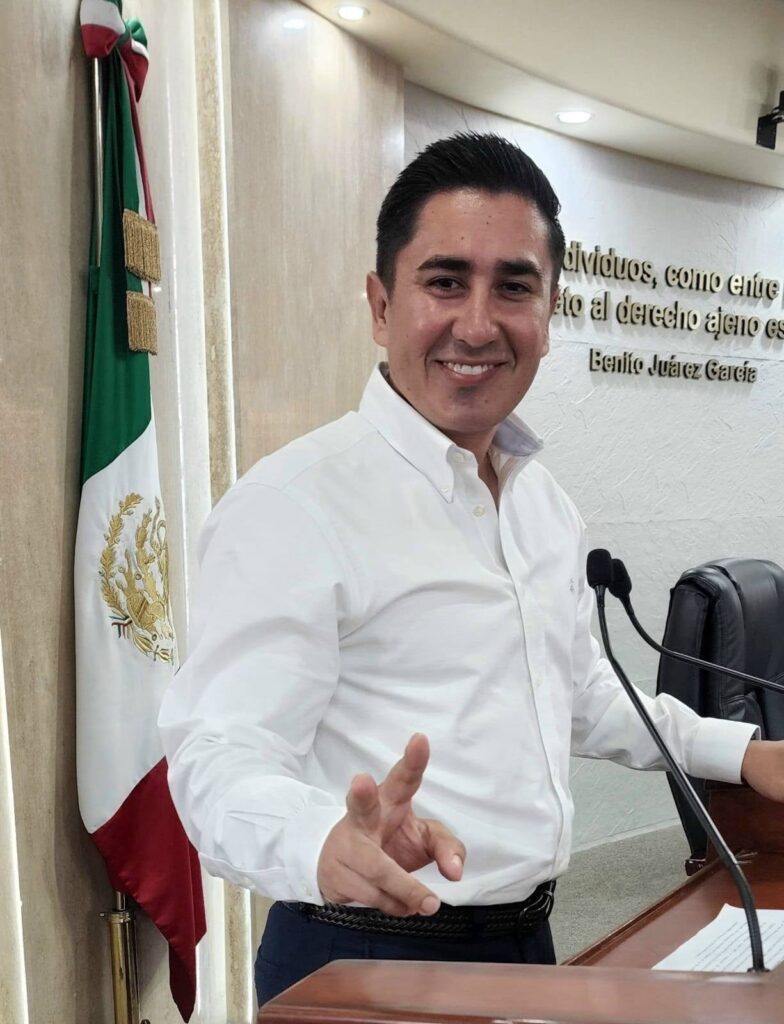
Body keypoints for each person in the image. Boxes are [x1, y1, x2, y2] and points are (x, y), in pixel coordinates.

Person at [159, 132, 784, 1005]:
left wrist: (746, 753)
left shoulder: (541, 502)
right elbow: (217, 753)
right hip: (364, 952)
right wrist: (320, 842)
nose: (479, 324)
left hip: (528, 940)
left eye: (514, 287)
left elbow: (583, 694)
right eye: (445, 282)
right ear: (381, 306)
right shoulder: (293, 504)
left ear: (549, 314)